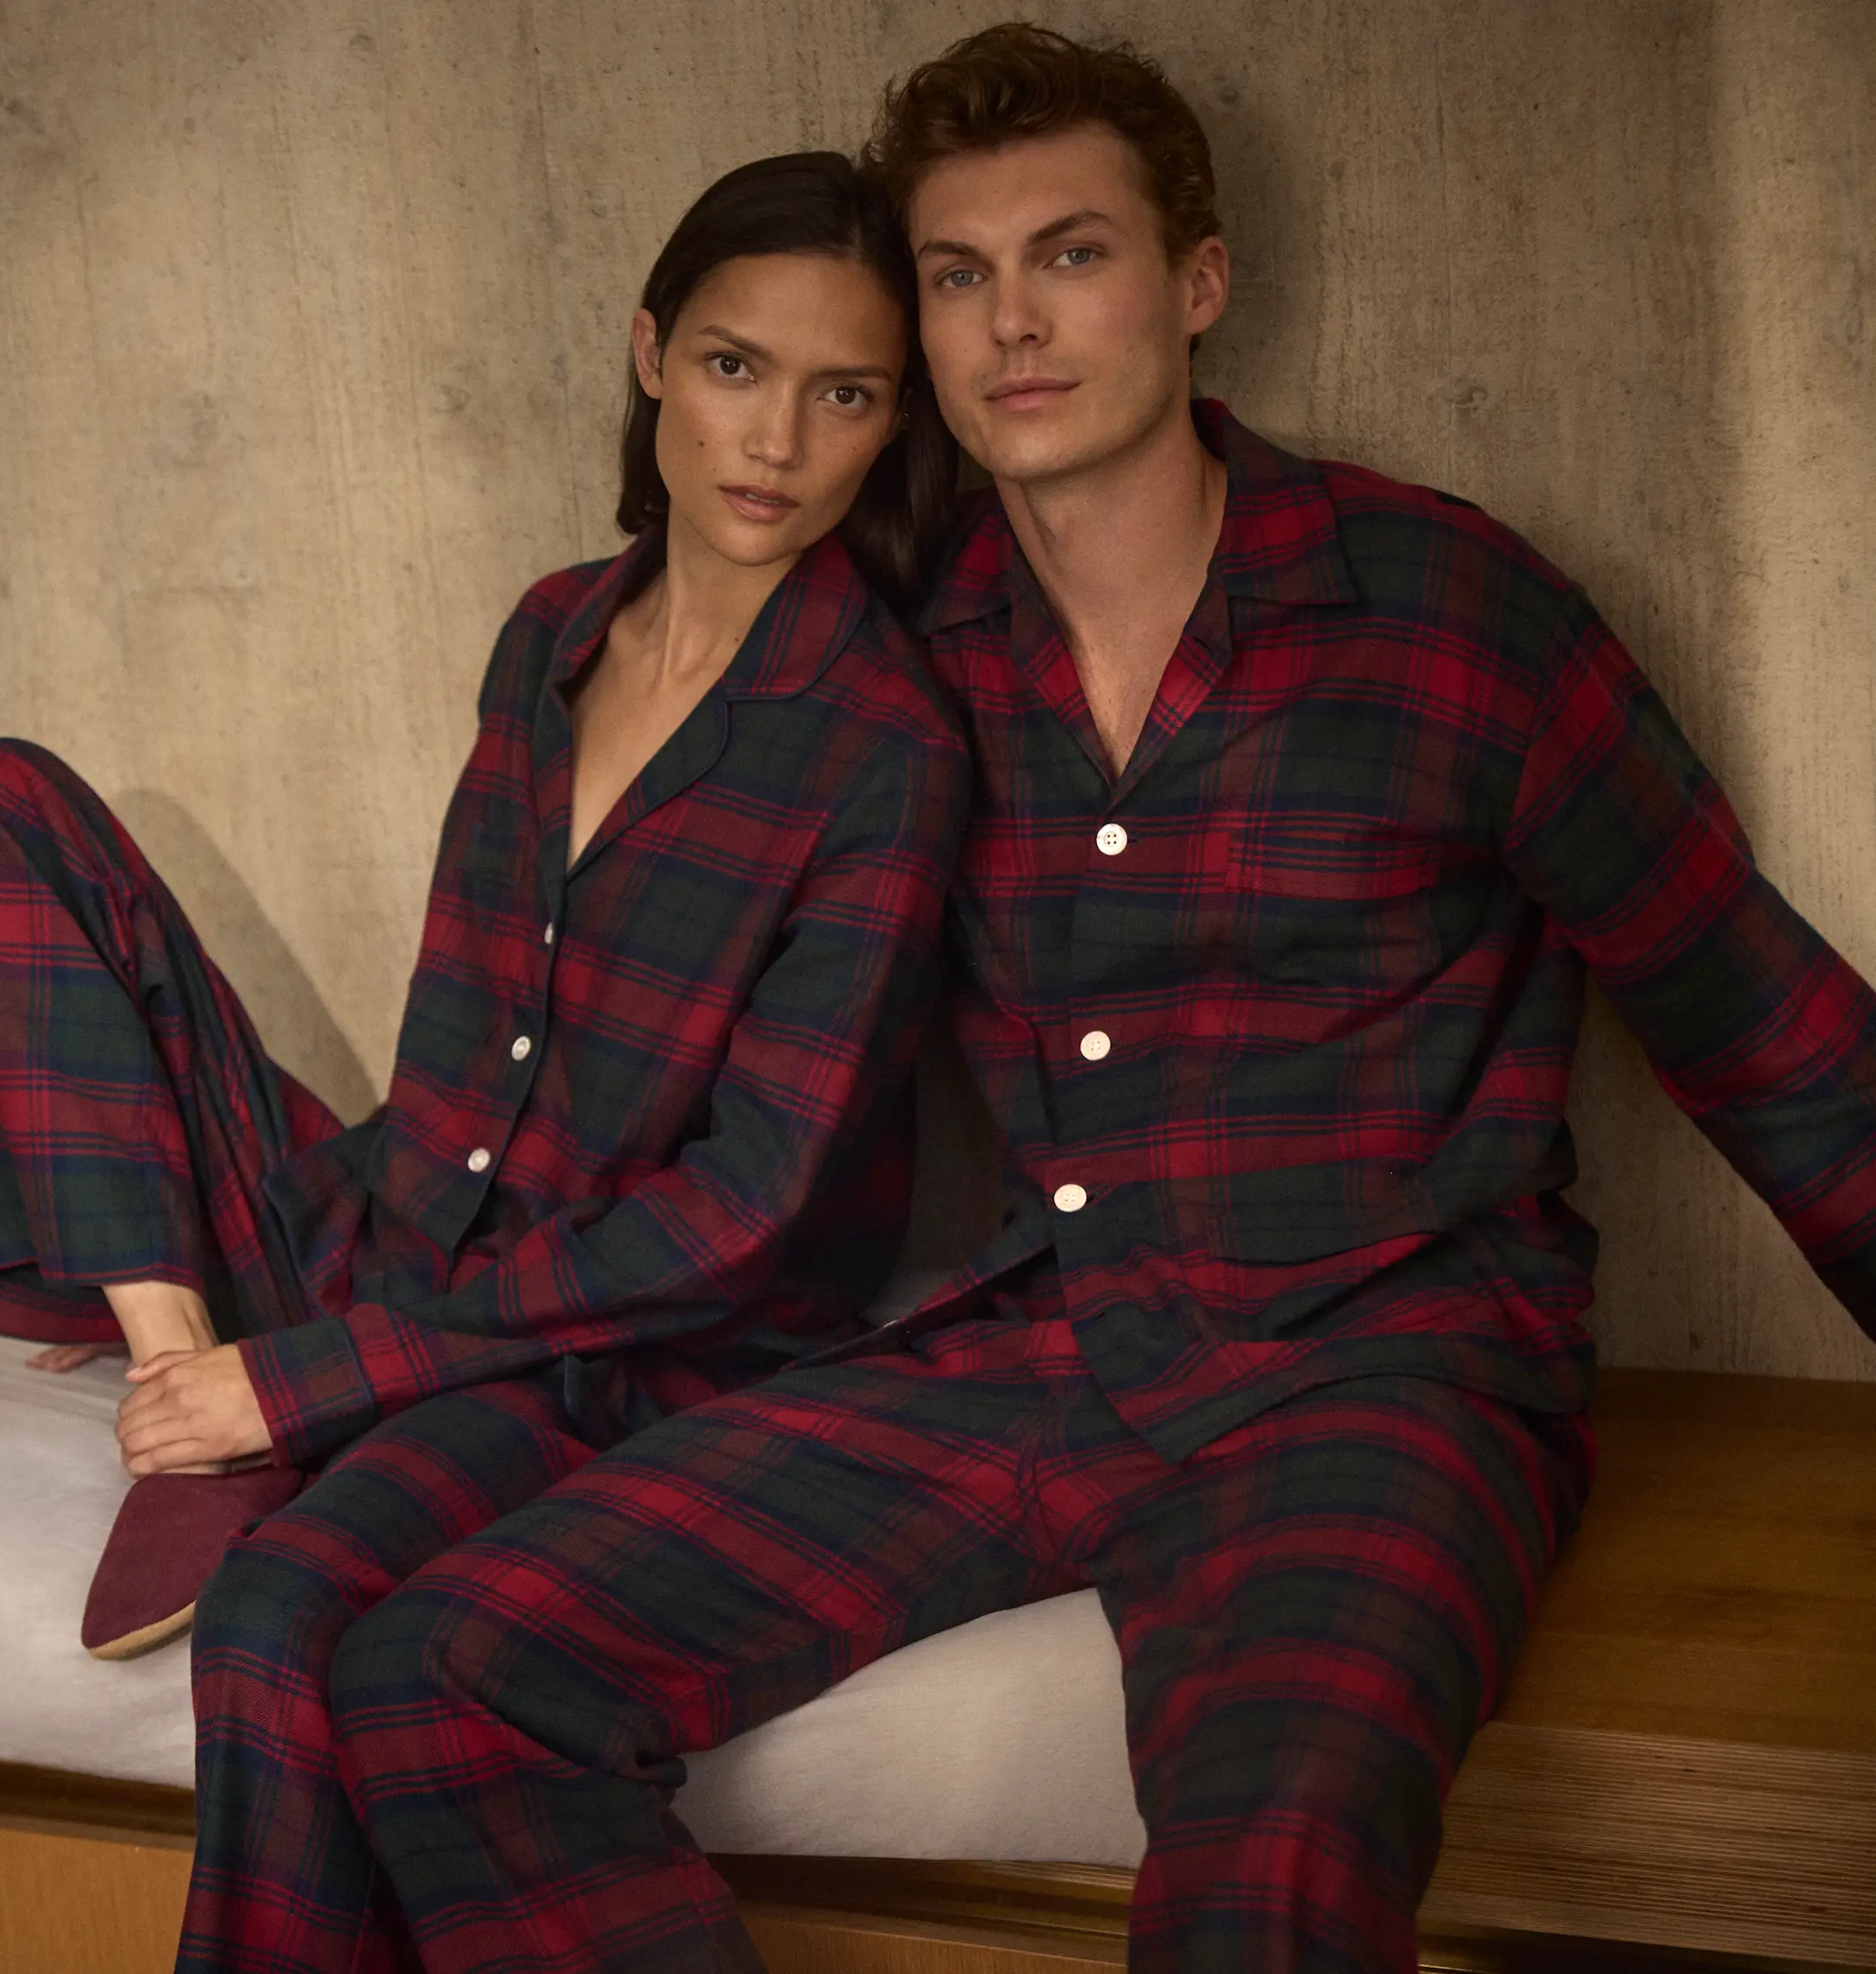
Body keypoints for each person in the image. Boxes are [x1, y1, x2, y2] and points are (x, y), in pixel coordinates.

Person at [321, 24, 1876, 1974]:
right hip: (1029, 1345)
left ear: (1197, 285)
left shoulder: (1444, 610)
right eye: (957, 277)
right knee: (433, 1673)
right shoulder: (891, 664)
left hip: (1373, 1372)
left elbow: (1768, 1036)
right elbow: (652, 996)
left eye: (1069, 255)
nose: (1009, 327)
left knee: (1256, 1901)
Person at [0, 144, 970, 1950]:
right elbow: (468, 1051)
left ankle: (232, 1418)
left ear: (889, 423)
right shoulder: (551, 631)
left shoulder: (878, 748)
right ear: (647, 355)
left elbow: (741, 1220)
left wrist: (318, 1383)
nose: (774, 436)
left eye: (839, 391)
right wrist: (249, 1355)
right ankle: (178, 1386)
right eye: (731, 366)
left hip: (602, 1351)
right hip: (390, 1229)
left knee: (281, 1615)